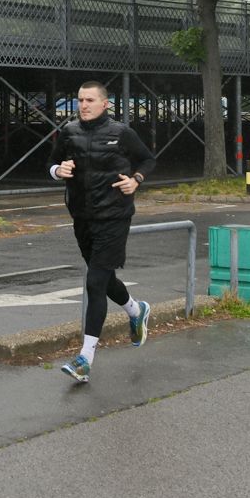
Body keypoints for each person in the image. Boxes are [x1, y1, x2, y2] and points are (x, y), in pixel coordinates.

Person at [49, 80, 157, 384]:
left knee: (95, 282)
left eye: (90, 100)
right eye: (80, 100)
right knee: (105, 277)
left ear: (104, 104)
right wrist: (59, 171)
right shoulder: (68, 132)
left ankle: (85, 359)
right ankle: (137, 310)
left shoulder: (121, 133)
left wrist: (135, 179)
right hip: (82, 216)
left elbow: (148, 160)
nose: (84, 105)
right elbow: (50, 163)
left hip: (114, 216)